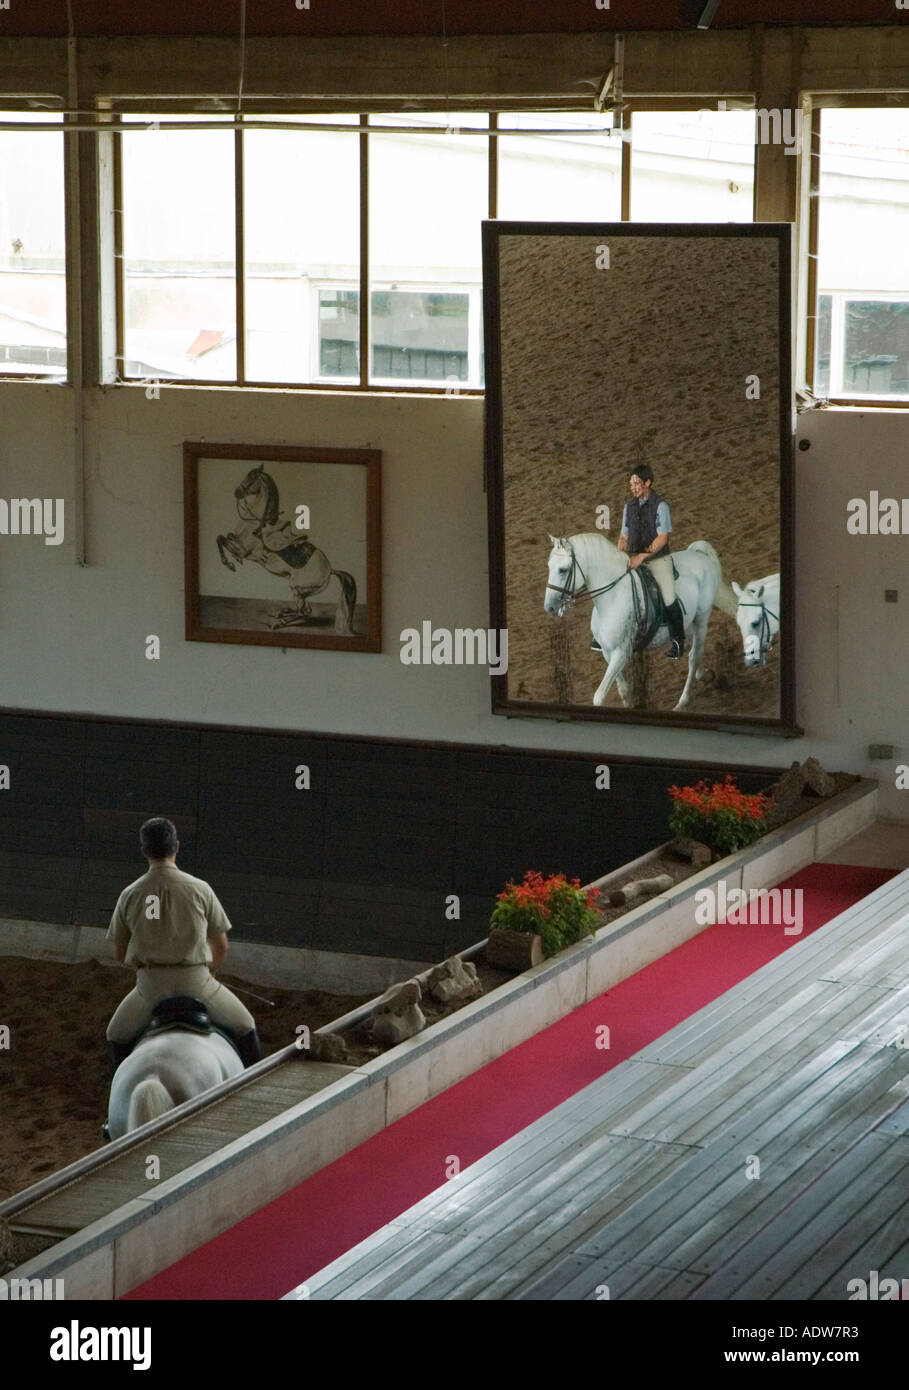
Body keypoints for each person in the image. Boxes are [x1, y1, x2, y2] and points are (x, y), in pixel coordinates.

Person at [105, 817, 262, 1074]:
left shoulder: (129, 894)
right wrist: (207, 973)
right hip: (198, 983)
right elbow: (221, 947)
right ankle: (256, 1094)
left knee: (115, 1035)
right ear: (176, 847)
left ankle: (114, 1105)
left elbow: (120, 953)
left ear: (144, 851)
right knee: (246, 1027)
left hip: (149, 987)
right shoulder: (201, 888)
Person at [593, 465, 686, 659]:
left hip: (657, 559)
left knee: (668, 597)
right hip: (632, 557)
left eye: (636, 483)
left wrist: (641, 557)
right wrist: (617, 556)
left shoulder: (661, 506)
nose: (633, 487)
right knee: (611, 586)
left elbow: (662, 538)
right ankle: (600, 634)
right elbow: (624, 536)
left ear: (647, 483)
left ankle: (678, 639)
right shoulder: (629, 506)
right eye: (631, 483)